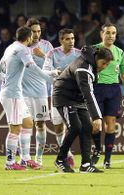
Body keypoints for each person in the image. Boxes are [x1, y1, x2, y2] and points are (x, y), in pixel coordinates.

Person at [0, 26, 57, 170]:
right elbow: (33, 68)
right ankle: (10, 162)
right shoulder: (23, 50)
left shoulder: (10, 47)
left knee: (28, 123)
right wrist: (50, 79)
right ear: (28, 38)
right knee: (15, 129)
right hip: (12, 95)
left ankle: (25, 159)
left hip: (14, 93)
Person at [53, 45, 113, 173]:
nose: (104, 67)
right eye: (103, 63)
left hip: (77, 98)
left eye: (107, 64)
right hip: (64, 97)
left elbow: (87, 93)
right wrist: (97, 117)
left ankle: (86, 165)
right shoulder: (83, 68)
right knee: (75, 127)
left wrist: (95, 117)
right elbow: (88, 93)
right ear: (97, 58)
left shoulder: (91, 63)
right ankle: (60, 159)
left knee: (87, 127)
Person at [91, 23, 124, 169]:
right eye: (108, 33)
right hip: (96, 88)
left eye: (113, 33)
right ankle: (96, 151)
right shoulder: (94, 50)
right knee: (96, 124)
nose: (110, 36)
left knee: (111, 123)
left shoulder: (120, 52)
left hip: (114, 90)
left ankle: (107, 160)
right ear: (101, 34)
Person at [18, 18, 54, 169]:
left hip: (40, 92)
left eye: (39, 31)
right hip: (23, 91)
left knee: (40, 124)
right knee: (26, 124)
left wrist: (43, 56)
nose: (37, 34)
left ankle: (39, 157)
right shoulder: (20, 47)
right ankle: (24, 158)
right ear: (28, 32)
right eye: (34, 31)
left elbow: (54, 66)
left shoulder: (46, 46)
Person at [43, 28, 82, 167]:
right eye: (67, 39)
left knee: (73, 126)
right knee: (58, 127)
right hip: (58, 94)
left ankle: (67, 155)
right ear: (61, 40)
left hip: (74, 95)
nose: (71, 41)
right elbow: (45, 71)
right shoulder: (52, 53)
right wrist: (55, 72)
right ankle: (67, 154)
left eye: (72, 38)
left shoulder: (79, 54)